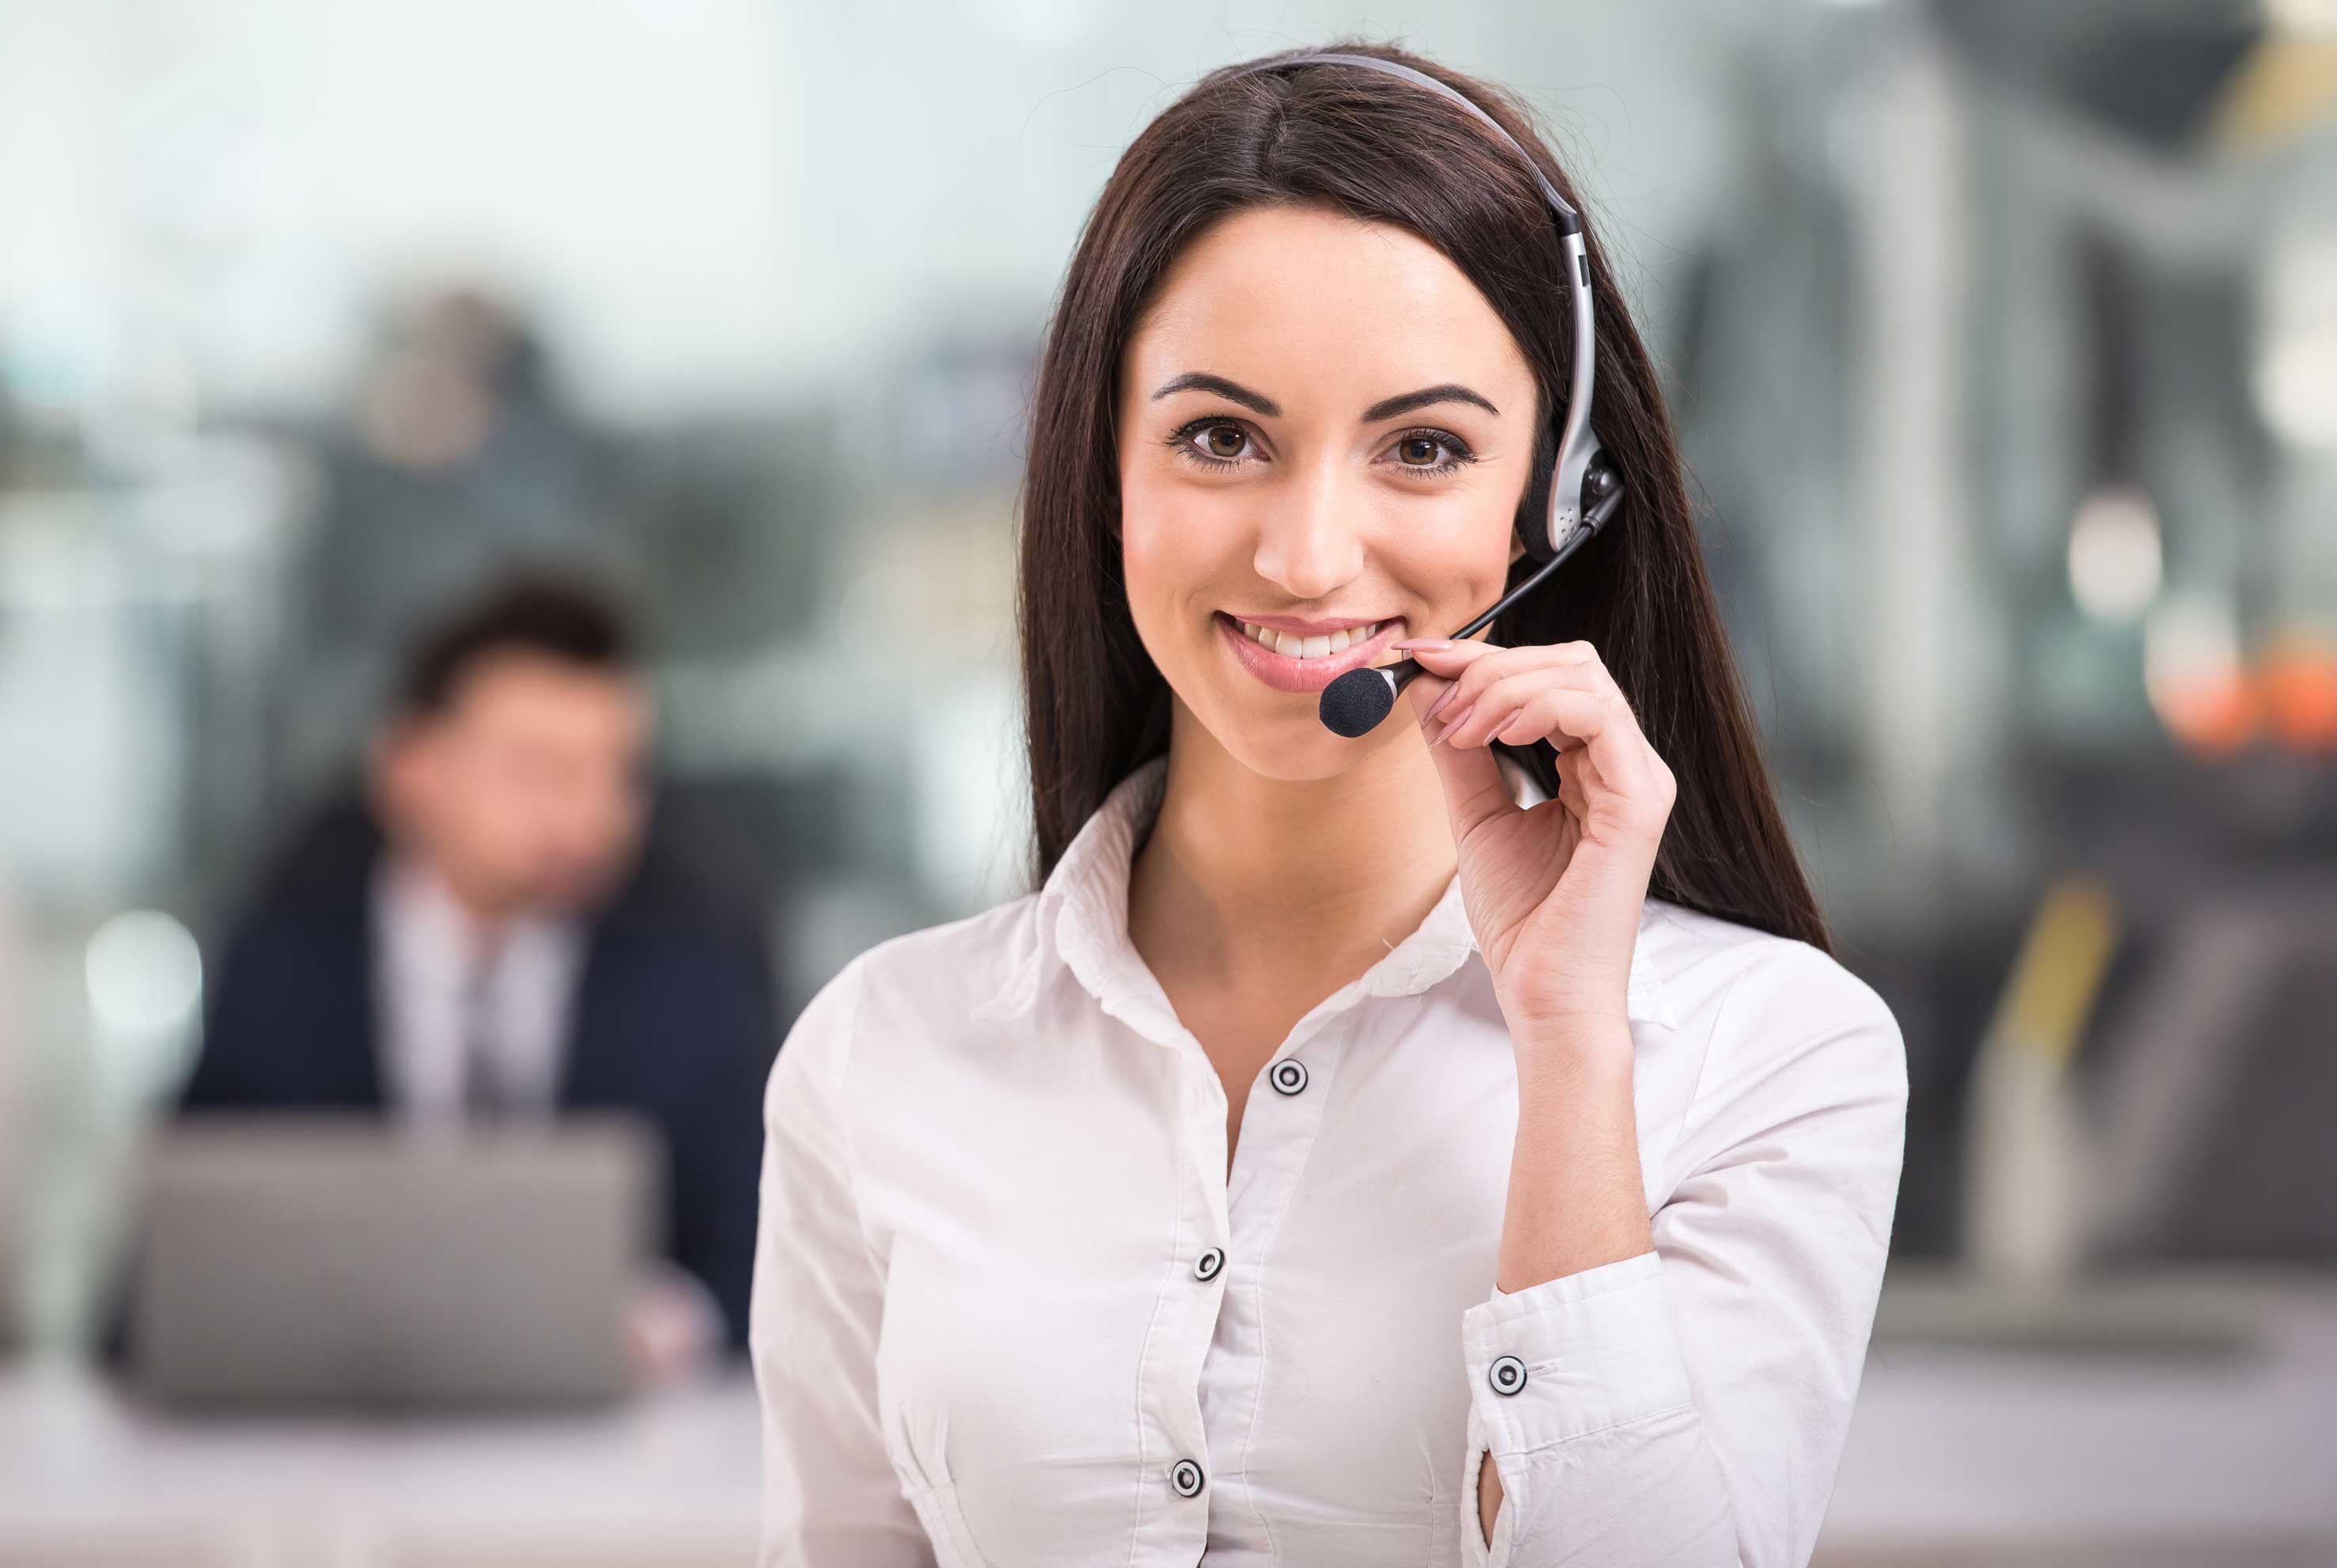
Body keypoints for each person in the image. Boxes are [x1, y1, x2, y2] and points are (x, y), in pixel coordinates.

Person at [751, 43, 1906, 1567]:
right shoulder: (880, 1053)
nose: (1306, 555)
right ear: (1105, 475)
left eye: (1421, 449)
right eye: (1219, 438)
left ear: (1551, 500)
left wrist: (1569, 1040)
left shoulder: (1773, 1052)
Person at [181, 575, 771, 1365]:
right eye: (540, 769)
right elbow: (175, 1259)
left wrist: (662, 1326)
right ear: (410, 769)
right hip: (339, 1437)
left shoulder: (690, 981)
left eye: (618, 773)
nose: (589, 816)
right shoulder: (280, 977)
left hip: (619, 1453)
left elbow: (770, 1256)